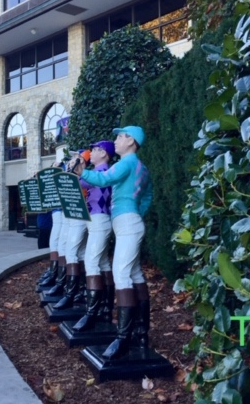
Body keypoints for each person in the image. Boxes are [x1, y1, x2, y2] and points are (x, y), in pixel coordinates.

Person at [73, 126, 152, 360]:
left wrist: (81, 172)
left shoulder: (127, 163)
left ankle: (123, 338)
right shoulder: (140, 167)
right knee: (134, 273)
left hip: (127, 223)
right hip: (129, 221)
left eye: (120, 137)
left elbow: (105, 178)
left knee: (121, 273)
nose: (115, 141)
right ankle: (140, 332)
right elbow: (148, 195)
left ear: (131, 141)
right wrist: (136, 211)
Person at [72, 140, 115, 331]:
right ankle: (105, 307)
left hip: (99, 219)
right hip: (96, 220)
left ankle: (92, 311)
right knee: (103, 262)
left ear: (104, 154)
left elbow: (79, 181)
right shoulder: (97, 172)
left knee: (91, 262)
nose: (92, 153)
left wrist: (78, 164)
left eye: (96, 150)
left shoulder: (103, 172)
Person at [52, 150, 91, 310]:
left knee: (71, 251)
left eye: (76, 157)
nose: (71, 160)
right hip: (72, 214)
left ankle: (71, 292)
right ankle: (77, 290)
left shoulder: (85, 175)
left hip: (80, 214)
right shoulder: (76, 174)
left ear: (82, 161)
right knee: (77, 252)